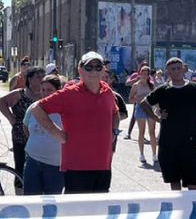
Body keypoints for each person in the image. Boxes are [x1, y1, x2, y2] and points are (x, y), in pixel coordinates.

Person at [30, 51, 126, 193]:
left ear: (104, 70)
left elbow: (115, 112)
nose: (94, 71)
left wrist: (114, 131)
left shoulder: (107, 92)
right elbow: (37, 109)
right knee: (78, 213)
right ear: (80, 70)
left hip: (104, 165)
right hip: (77, 167)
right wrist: (57, 133)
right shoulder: (69, 93)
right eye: (89, 67)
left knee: (99, 211)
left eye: (98, 67)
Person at [148, 58, 196, 191]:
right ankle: (178, 209)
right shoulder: (163, 90)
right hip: (169, 142)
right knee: (174, 181)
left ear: (184, 69)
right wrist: (156, 116)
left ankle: (193, 211)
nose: (176, 71)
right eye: (173, 69)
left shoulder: (194, 88)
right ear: (167, 72)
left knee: (195, 183)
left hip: (191, 141)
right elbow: (144, 103)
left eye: (178, 68)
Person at [0, 66, 46, 184]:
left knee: (40, 167)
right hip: (21, 136)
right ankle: (20, 193)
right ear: (29, 79)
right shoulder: (19, 94)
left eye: (43, 77)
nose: (41, 80)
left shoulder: (47, 94)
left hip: (41, 137)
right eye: (38, 77)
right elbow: (1, 102)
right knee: (20, 166)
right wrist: (11, 119)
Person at [20, 75, 66, 194]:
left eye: (49, 90)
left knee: (51, 203)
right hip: (32, 161)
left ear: (58, 90)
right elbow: (25, 128)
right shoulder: (34, 107)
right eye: (43, 89)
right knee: (31, 200)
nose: (45, 93)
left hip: (55, 165)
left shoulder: (65, 110)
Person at [127, 64, 158, 165]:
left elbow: (156, 98)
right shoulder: (136, 85)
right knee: (141, 131)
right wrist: (139, 98)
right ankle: (142, 154)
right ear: (139, 73)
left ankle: (154, 154)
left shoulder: (151, 84)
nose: (145, 75)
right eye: (143, 73)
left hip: (150, 108)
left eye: (147, 73)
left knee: (152, 132)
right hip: (140, 108)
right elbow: (130, 99)